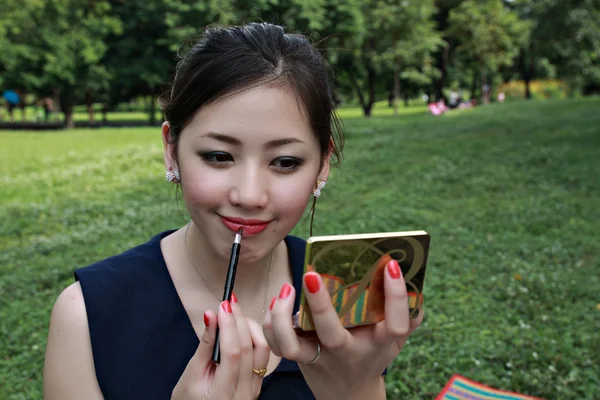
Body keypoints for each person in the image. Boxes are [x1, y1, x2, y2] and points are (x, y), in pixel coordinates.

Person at [43, 23, 423, 400]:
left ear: (323, 164)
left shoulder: (341, 294)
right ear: (171, 149)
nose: (250, 195)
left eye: (286, 161)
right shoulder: (87, 315)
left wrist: (356, 388)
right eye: (218, 156)